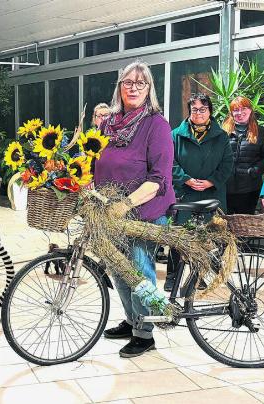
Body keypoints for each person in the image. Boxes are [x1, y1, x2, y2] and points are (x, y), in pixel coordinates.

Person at [92, 61, 176, 358]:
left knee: (139, 268)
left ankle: (145, 332)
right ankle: (132, 321)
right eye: (128, 82)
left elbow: (160, 178)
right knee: (117, 266)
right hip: (110, 211)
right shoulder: (108, 123)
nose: (134, 88)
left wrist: (125, 204)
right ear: (119, 87)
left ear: (149, 89)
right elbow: (95, 160)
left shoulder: (157, 125)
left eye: (141, 83)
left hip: (145, 211)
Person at [166, 93, 233, 291]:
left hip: (211, 194)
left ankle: (200, 275)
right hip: (185, 194)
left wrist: (211, 181)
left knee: (209, 237)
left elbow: (227, 164)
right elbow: (169, 161)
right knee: (178, 237)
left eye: (203, 109)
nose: (198, 113)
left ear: (210, 111)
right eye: (194, 109)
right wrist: (185, 178)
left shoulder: (221, 137)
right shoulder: (175, 135)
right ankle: (172, 277)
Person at [223, 96, 264, 214]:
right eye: (236, 110)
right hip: (226, 187)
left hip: (249, 188)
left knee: (245, 225)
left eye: (243, 109)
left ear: (250, 110)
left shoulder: (261, 132)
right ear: (231, 112)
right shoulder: (223, 132)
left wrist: (255, 170)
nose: (240, 113)